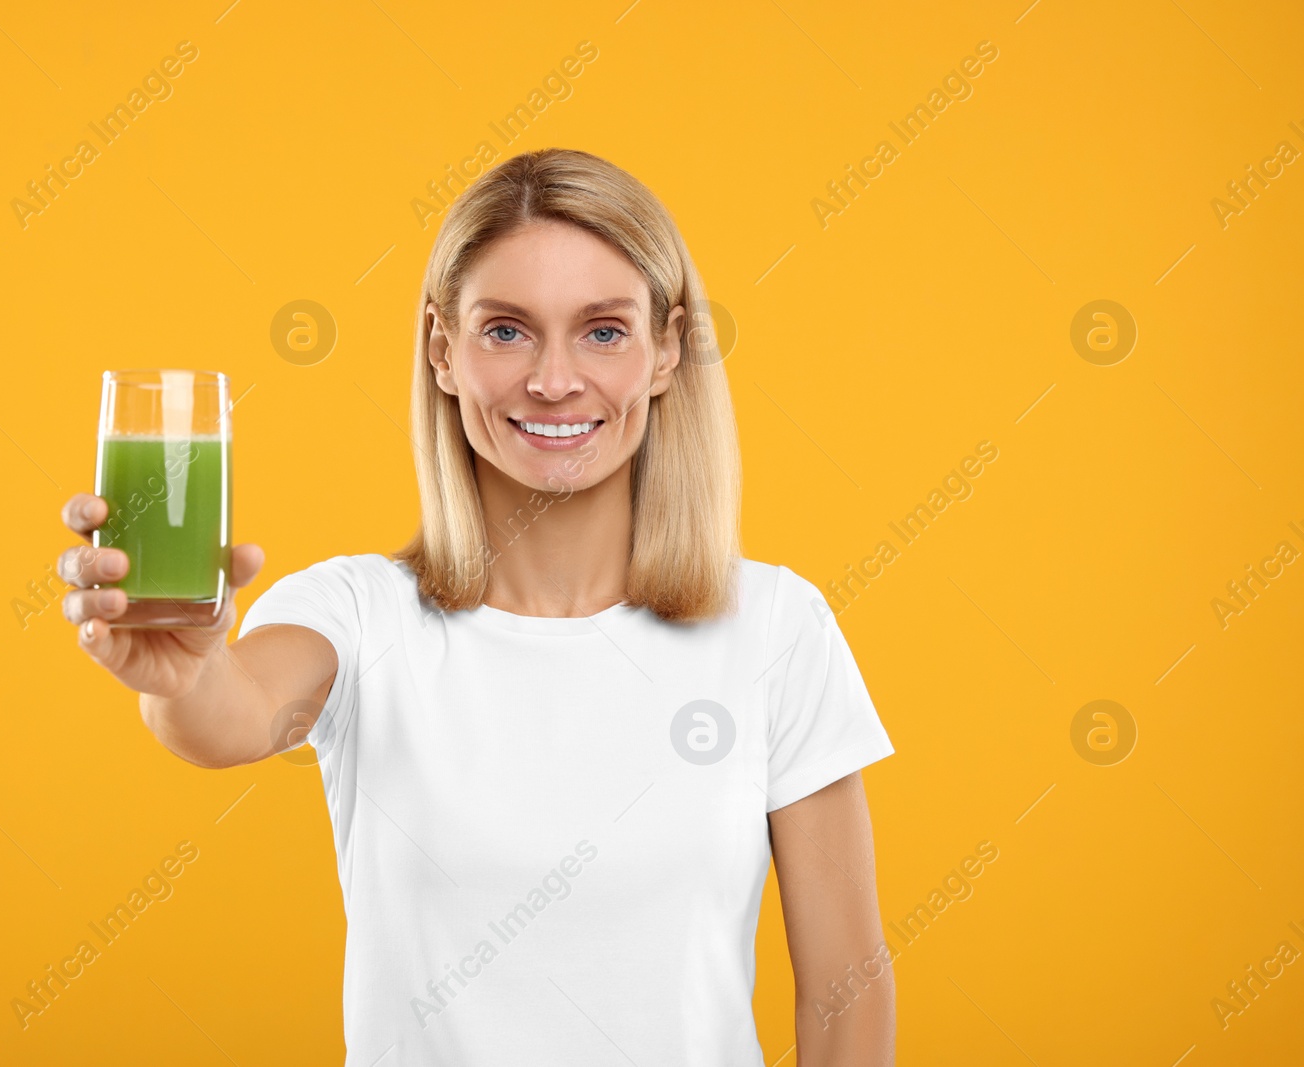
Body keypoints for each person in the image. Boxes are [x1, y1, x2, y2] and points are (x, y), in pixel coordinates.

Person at [56, 147, 896, 1066]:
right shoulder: (358, 614)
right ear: (441, 350)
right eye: (506, 331)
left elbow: (844, 987)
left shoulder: (777, 627)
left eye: (603, 332)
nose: (553, 380)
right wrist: (182, 669)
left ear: (666, 349)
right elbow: (228, 717)